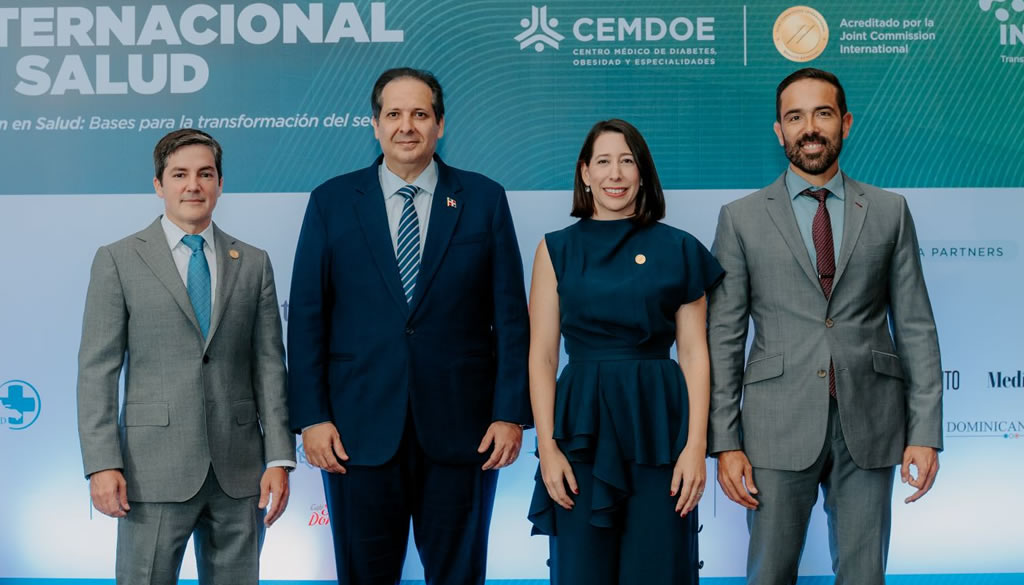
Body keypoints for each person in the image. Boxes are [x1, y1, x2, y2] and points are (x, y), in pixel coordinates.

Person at [287, 67, 531, 585]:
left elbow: (511, 318)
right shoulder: (331, 201)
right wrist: (311, 417)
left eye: (420, 114)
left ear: (440, 124)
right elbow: (308, 317)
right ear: (375, 125)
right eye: (394, 114)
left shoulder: (483, 198)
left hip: (464, 431)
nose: (406, 126)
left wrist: (510, 413)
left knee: (459, 575)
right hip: (356, 432)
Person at [707, 68, 942, 585]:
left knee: (864, 577)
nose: (809, 128)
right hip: (773, 427)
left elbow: (916, 327)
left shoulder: (890, 211)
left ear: (845, 123)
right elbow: (724, 338)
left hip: (872, 424)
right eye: (795, 117)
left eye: (822, 113)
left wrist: (925, 432)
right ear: (779, 131)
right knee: (769, 574)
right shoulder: (740, 218)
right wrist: (725, 442)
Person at [77, 128, 294, 585]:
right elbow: (97, 371)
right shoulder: (118, 259)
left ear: (220, 183)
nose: (193, 185)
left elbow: (270, 368)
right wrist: (102, 463)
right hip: (150, 472)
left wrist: (278, 458)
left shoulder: (253, 262)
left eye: (205, 174)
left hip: (240, 474)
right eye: (179, 175)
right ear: (159, 184)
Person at [527, 119, 723, 585]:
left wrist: (696, 447)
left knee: (659, 566)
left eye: (627, 161)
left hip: (659, 424)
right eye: (603, 162)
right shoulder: (555, 250)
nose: (615, 174)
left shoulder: (680, 248)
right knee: (581, 568)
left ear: (642, 172)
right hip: (581, 426)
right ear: (585, 173)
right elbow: (542, 357)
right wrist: (547, 448)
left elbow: (694, 354)